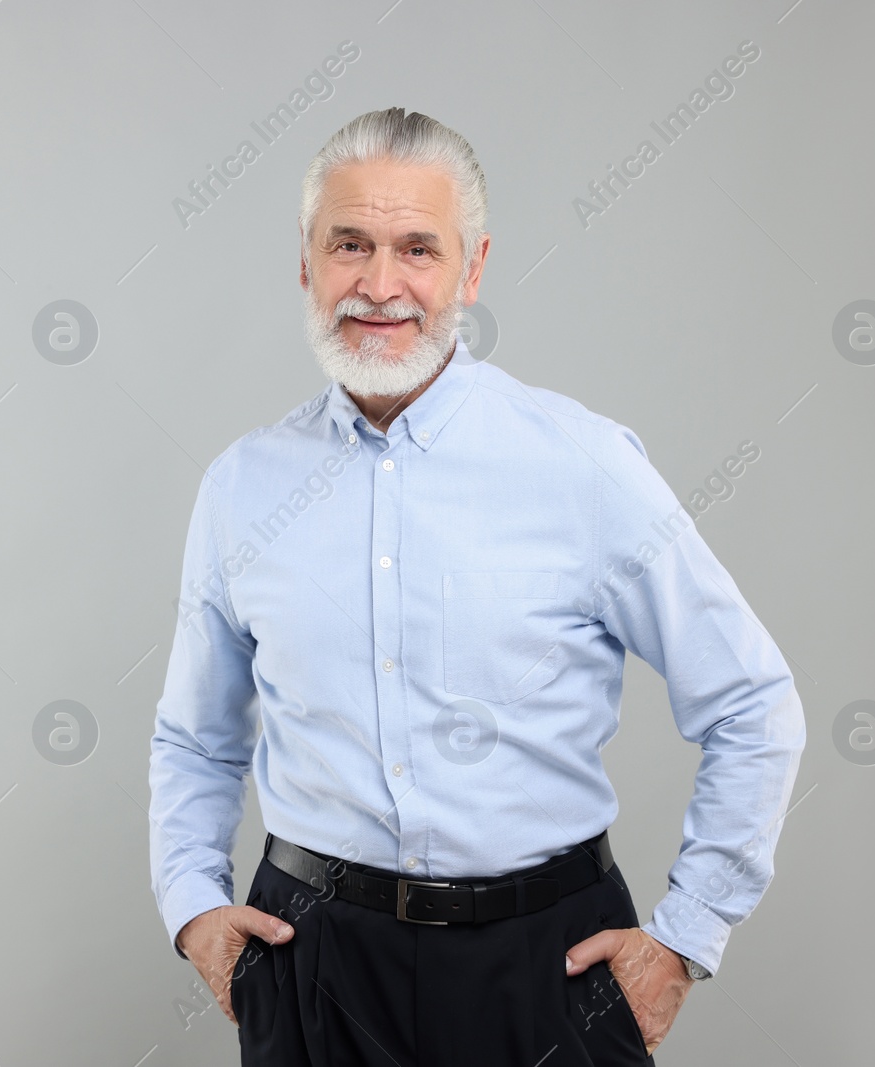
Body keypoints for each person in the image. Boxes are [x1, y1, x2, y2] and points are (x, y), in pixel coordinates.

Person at [147, 107, 806, 1066]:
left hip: (548, 968)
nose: (380, 285)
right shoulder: (241, 488)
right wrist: (195, 907)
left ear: (474, 268)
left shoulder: (586, 466)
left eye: (418, 247)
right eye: (350, 245)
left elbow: (754, 703)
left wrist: (686, 934)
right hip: (314, 964)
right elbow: (194, 738)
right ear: (305, 261)